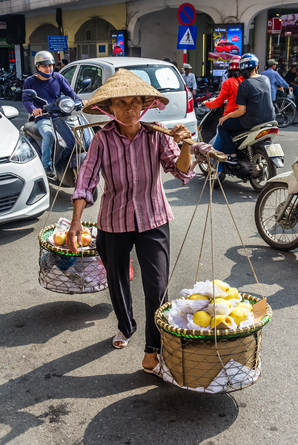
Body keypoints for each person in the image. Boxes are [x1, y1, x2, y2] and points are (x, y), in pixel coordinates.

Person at [66, 68, 205, 376]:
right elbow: (85, 183)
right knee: (116, 281)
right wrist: (76, 222)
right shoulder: (101, 140)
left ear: (145, 105)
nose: (129, 109)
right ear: (109, 108)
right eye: (121, 103)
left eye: (135, 103)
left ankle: (153, 349)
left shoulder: (156, 134)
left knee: (157, 287)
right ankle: (126, 325)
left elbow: (181, 172)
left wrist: (184, 145)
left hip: (153, 218)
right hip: (113, 221)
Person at [22, 51, 87, 178]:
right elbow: (26, 100)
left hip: (61, 115)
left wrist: (80, 101)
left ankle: (66, 160)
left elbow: (70, 93)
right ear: (37, 66)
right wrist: (33, 109)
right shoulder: (30, 81)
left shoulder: (58, 77)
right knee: (49, 135)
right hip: (43, 116)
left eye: (50, 65)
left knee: (77, 134)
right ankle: (47, 166)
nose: (48, 69)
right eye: (44, 66)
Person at [217, 53, 275, 161]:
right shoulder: (265, 79)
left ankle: (232, 154)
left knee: (222, 126)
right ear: (256, 66)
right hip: (271, 118)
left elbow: (240, 111)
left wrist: (225, 117)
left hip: (252, 121)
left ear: (242, 69)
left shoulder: (244, 84)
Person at [202, 56, 244, 186]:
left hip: (231, 117)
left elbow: (219, 102)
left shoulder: (229, 82)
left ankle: (219, 172)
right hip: (248, 119)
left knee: (215, 148)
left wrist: (207, 103)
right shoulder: (247, 81)